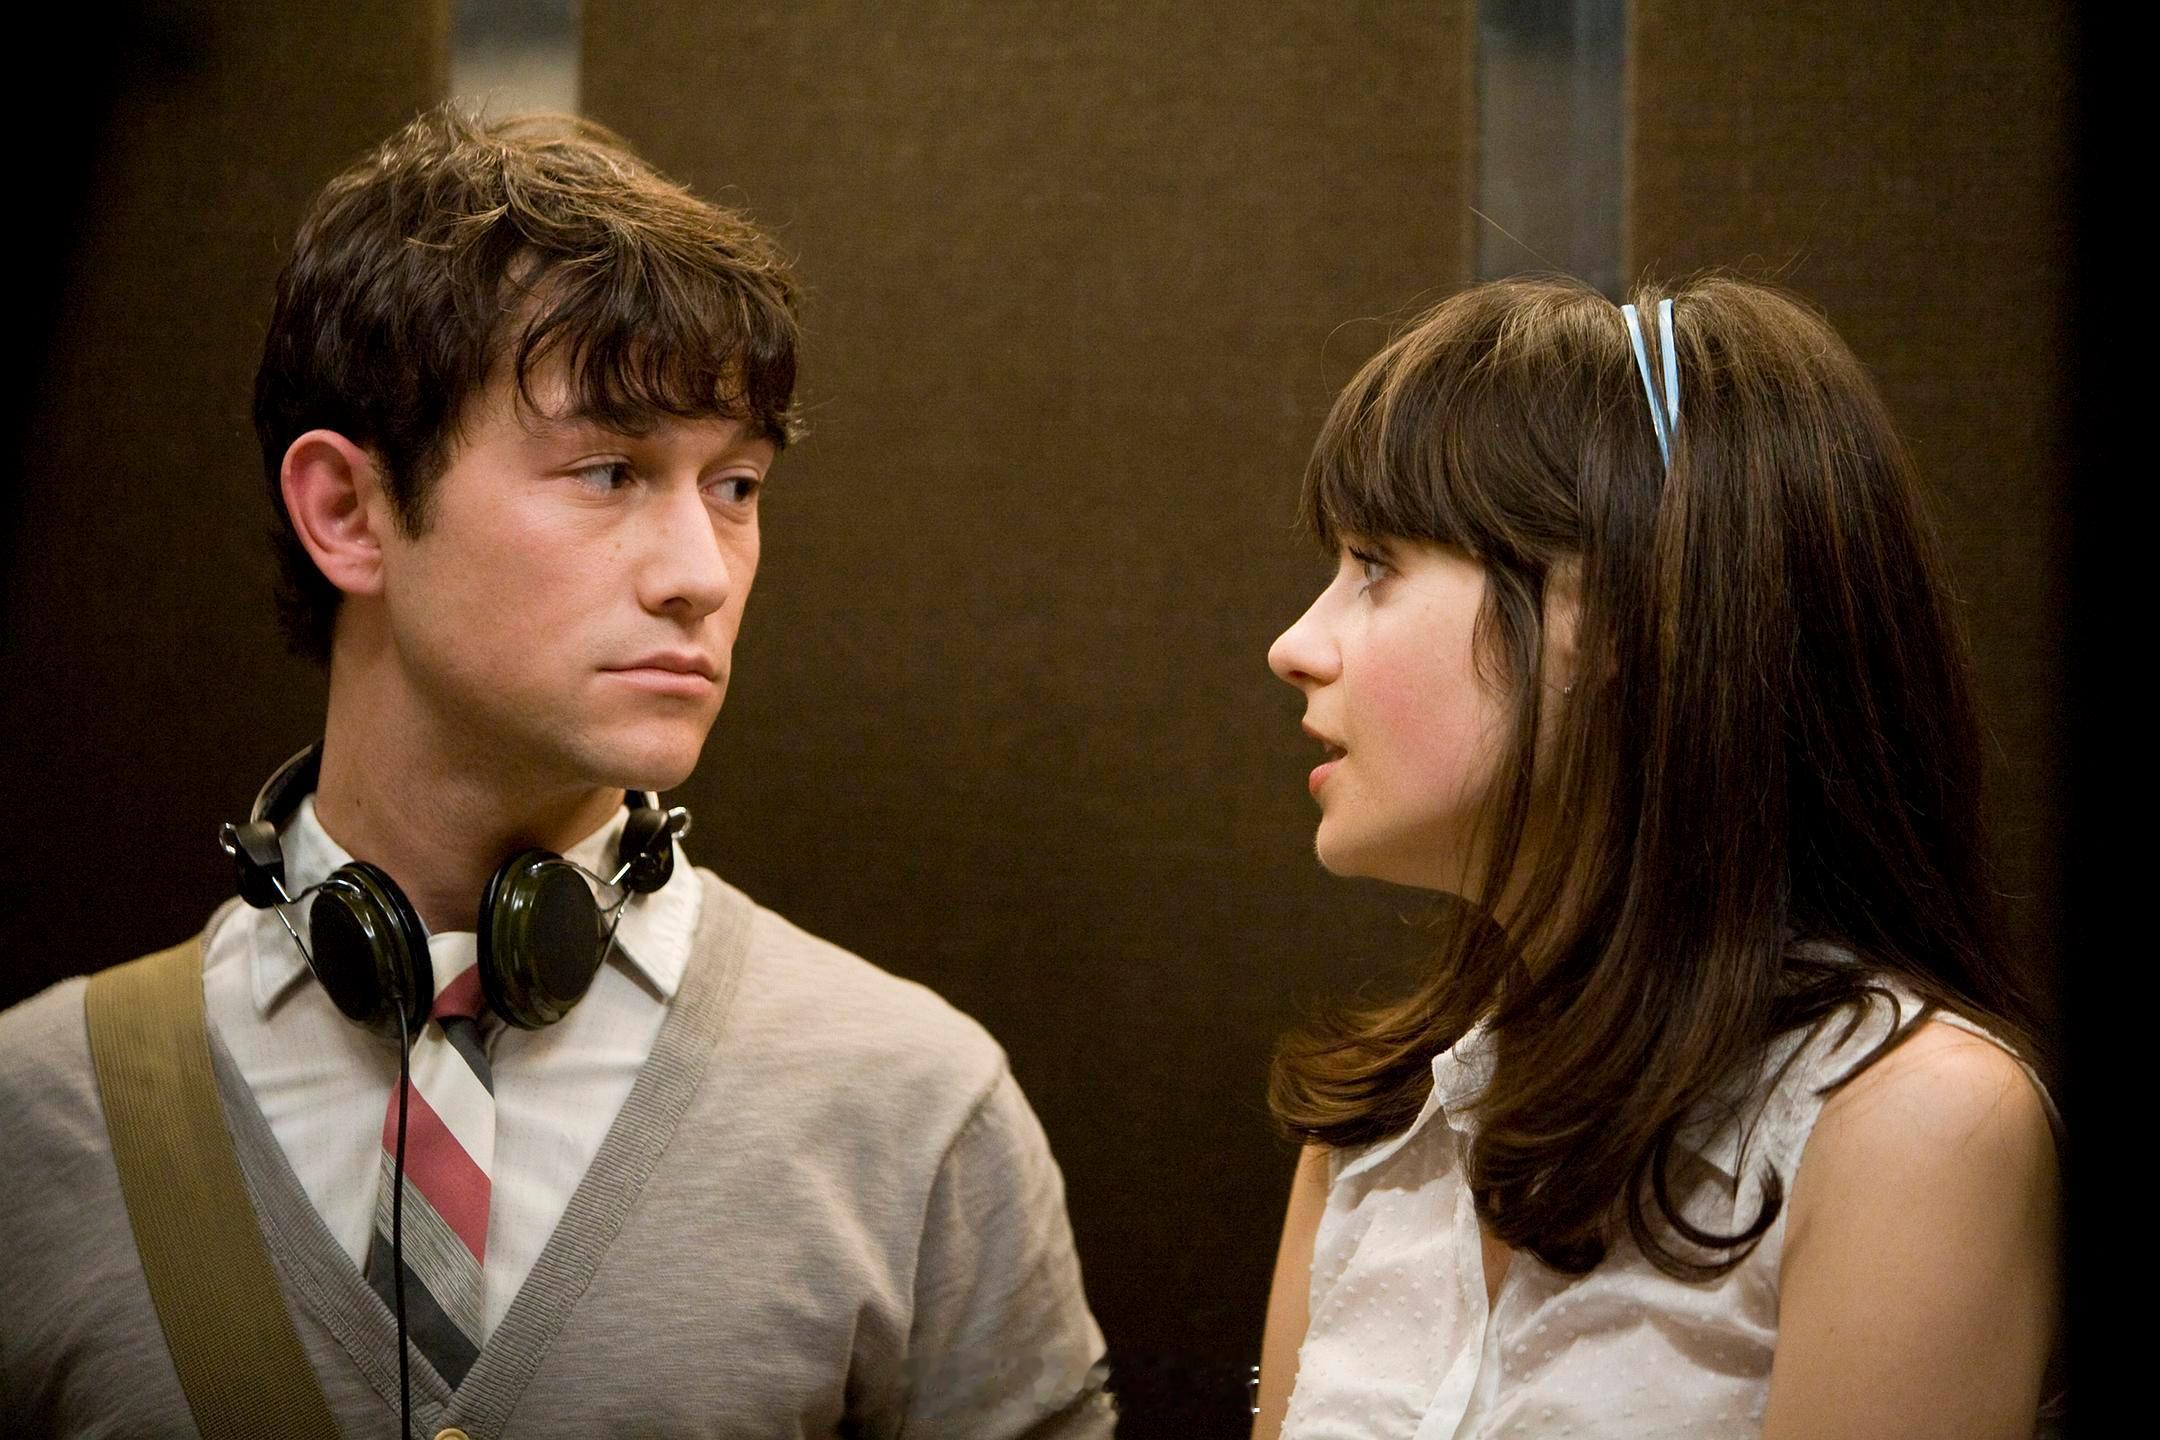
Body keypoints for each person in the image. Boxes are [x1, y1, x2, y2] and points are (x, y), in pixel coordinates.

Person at [0, 106, 1113, 1438]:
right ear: (347, 511)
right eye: (609, 471)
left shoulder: (912, 1108)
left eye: (737, 487)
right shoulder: (35, 1119)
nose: (700, 575)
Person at [1251, 277, 2062, 1439]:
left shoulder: (1907, 1123)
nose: (1295, 644)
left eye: (1374, 564)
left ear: (1615, 617)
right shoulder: (1382, 1124)